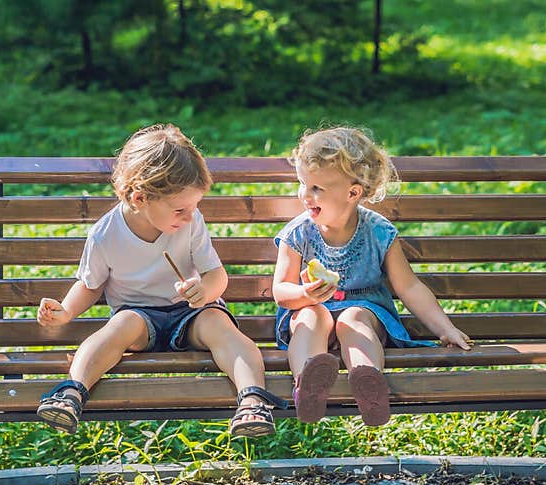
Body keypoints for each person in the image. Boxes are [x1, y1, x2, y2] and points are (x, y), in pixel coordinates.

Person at [36, 123, 286, 437]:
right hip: (139, 316)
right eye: (181, 209)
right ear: (140, 198)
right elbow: (90, 284)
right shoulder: (106, 234)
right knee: (117, 328)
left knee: (223, 329)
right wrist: (67, 311)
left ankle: (252, 400)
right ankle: (71, 393)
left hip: (191, 312)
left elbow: (216, 275)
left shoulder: (190, 223)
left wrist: (204, 291)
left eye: (195, 206)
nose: (190, 216)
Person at [272, 126, 472, 426]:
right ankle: (308, 384)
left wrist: (445, 328)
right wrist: (303, 295)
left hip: (365, 311)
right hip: (311, 309)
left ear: (353, 193)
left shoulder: (378, 232)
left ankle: (369, 384)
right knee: (310, 317)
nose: (305, 195)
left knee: (354, 317)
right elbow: (281, 290)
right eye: (303, 183)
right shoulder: (298, 232)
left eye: (317, 189)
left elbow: (409, 287)